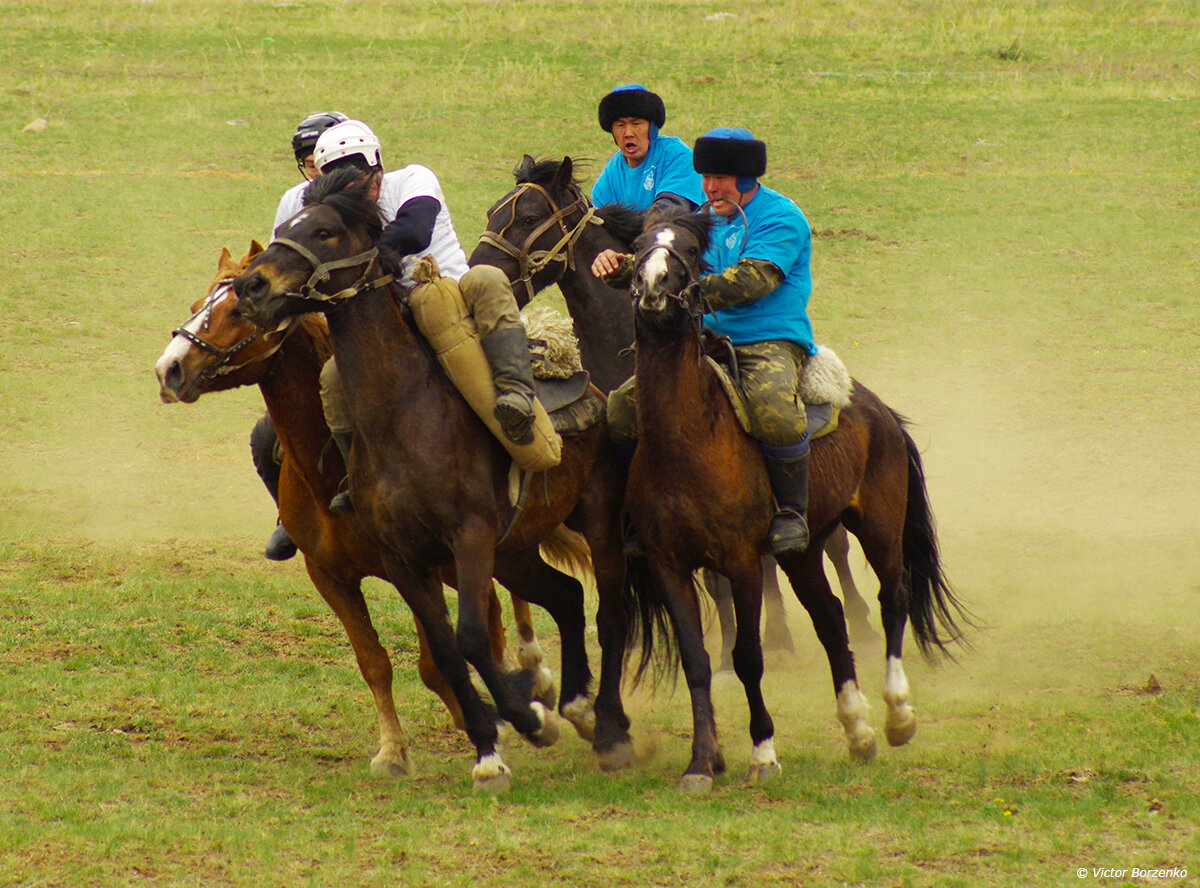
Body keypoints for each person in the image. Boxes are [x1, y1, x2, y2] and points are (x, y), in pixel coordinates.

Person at [598, 127, 816, 555]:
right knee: (622, 408)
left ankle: (791, 512)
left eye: (721, 178)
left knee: (772, 409)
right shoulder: (699, 217)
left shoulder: (782, 218)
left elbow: (754, 279)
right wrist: (623, 269)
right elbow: (661, 260)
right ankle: (635, 513)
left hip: (768, 341)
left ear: (749, 179)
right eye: (705, 177)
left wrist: (684, 293)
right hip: (703, 340)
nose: (710, 188)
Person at [310, 120, 537, 510]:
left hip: (453, 296)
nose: (366, 188)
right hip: (391, 320)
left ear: (377, 165)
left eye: (366, 175)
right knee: (332, 379)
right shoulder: (333, 218)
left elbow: (414, 231)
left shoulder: (414, 178)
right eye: (350, 185)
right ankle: (357, 474)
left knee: (487, 278)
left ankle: (517, 392)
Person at [253, 111, 349, 561]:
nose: (315, 168)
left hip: (366, 325)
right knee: (266, 437)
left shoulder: (369, 197)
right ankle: (290, 518)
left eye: (321, 158)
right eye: (308, 161)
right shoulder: (293, 201)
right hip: (316, 328)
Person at [590, 83, 705, 279]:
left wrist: (618, 225)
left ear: (652, 128)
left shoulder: (678, 156)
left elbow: (667, 216)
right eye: (620, 125)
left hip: (686, 264)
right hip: (638, 267)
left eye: (636, 123)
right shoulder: (607, 180)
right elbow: (603, 236)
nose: (628, 133)